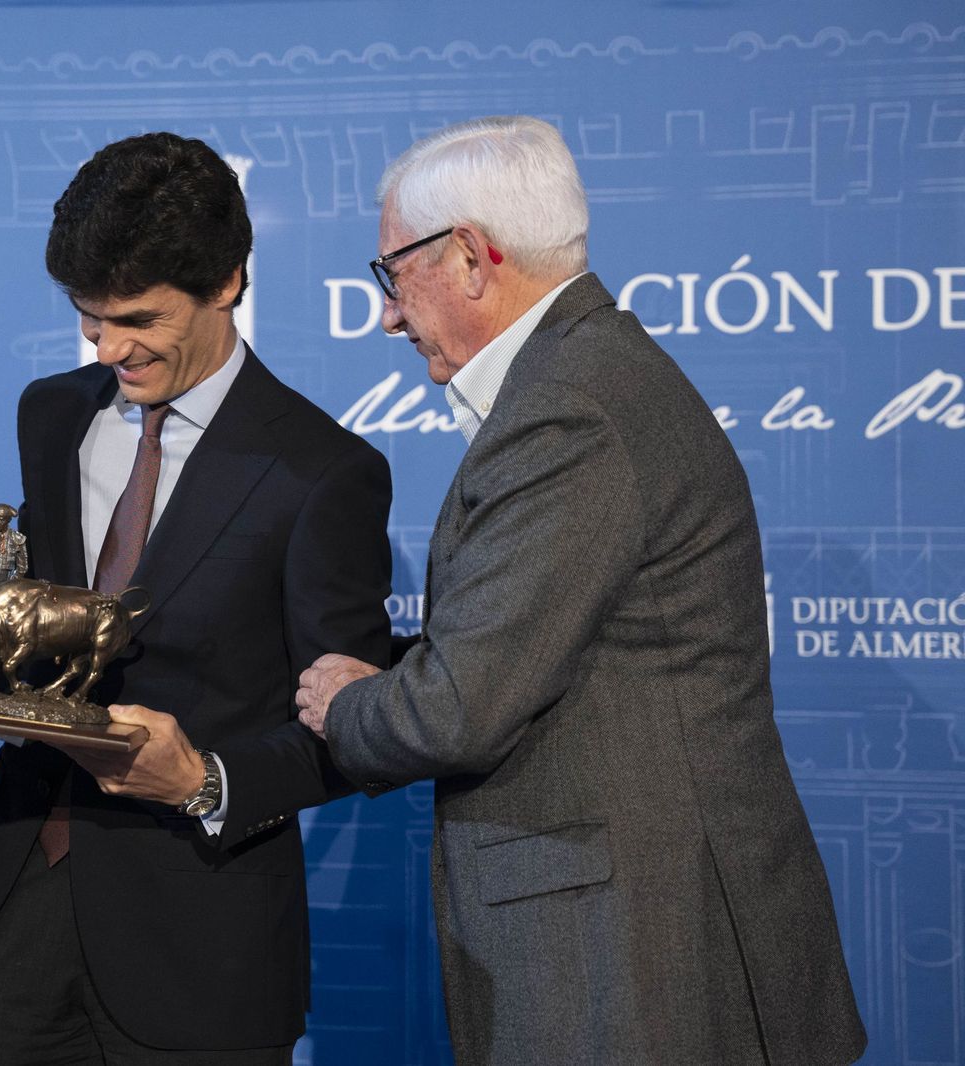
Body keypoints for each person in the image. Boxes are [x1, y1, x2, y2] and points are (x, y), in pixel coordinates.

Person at [294, 116, 867, 1064]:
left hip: (639, 962)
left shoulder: (567, 409)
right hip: (646, 943)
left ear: (470, 256)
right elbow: (528, 648)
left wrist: (345, 702)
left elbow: (459, 710)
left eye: (391, 274)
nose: (388, 316)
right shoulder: (590, 374)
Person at [0, 132, 392, 1064]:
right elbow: (41, 631)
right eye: (88, 317)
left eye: (139, 319)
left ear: (229, 281)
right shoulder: (53, 413)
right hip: (24, 908)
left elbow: (354, 730)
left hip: (203, 942)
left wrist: (204, 781)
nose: (109, 347)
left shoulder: (323, 472)